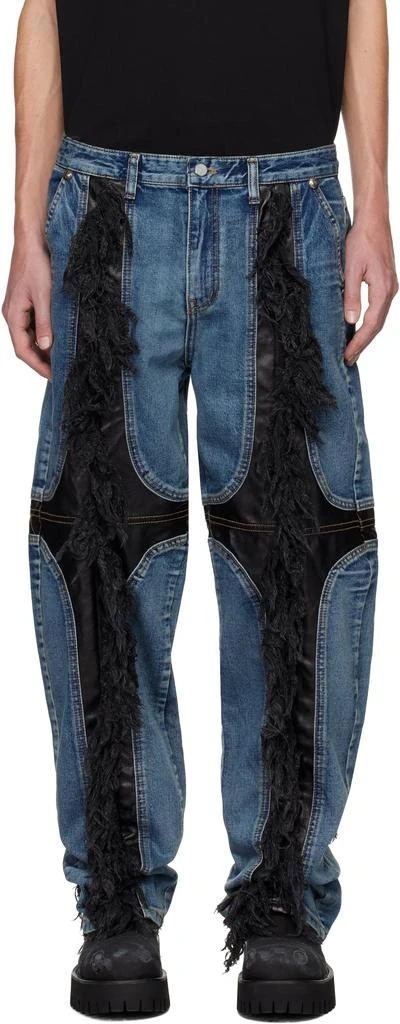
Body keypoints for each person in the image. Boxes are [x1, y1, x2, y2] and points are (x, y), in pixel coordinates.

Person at [2, 0, 398, 1018]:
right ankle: (118, 905)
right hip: (105, 197)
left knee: (297, 560)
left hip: (289, 202)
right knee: (99, 556)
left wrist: (374, 203)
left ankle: (281, 903)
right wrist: (27, 227)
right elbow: (42, 9)